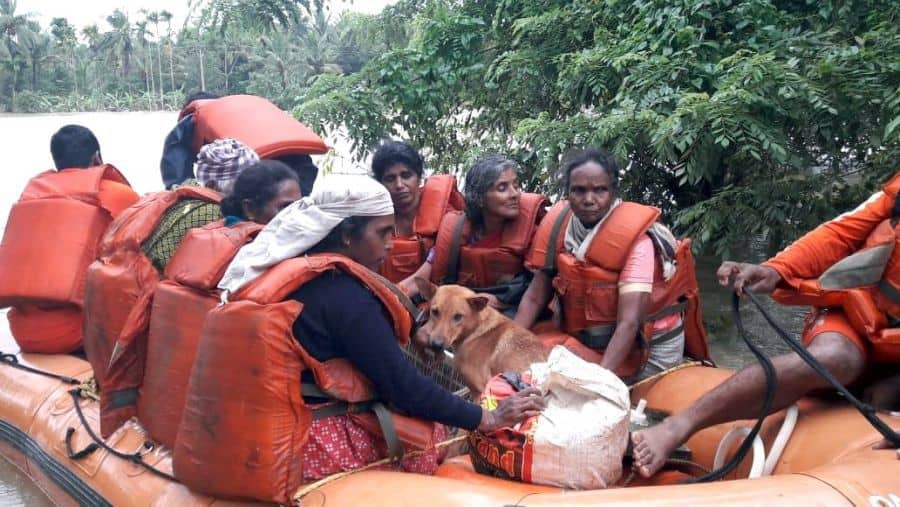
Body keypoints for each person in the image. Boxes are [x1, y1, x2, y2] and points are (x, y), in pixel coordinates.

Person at [215, 174, 543, 480]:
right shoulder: (340, 293)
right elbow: (404, 387)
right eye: (382, 233)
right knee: (436, 440)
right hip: (311, 437)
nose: (390, 243)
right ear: (346, 234)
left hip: (263, 424)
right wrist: (490, 418)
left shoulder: (297, 268)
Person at [631, 172, 900, 478]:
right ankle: (678, 425)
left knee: (882, 397)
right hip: (858, 321)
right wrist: (776, 270)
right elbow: (836, 235)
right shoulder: (893, 197)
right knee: (833, 359)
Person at [514, 148, 708, 380]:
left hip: (646, 350)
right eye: (579, 190)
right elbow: (535, 298)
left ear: (614, 191)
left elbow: (629, 323)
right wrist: (507, 344)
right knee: (526, 362)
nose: (588, 200)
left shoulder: (638, 243)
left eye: (600, 190)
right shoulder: (559, 227)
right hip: (589, 340)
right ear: (567, 192)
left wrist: (598, 383)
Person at [0, 125, 139, 354]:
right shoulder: (118, 195)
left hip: (22, 331)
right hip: (77, 333)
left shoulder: (30, 196)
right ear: (97, 158)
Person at [402, 155, 548, 312]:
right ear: (479, 198)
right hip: (458, 311)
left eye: (516, 186)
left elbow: (535, 294)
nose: (514, 194)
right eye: (502, 188)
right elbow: (419, 279)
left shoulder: (532, 234)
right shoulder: (456, 231)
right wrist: (388, 295)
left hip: (507, 312)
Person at [162, 93, 329, 194]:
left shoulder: (194, 117)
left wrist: (183, 200)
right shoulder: (247, 109)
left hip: (261, 176)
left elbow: (176, 173)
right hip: (299, 171)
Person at [143, 138, 259, 273]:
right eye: (243, 183)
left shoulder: (181, 192)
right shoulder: (216, 214)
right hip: (155, 288)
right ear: (212, 185)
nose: (251, 188)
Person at [371, 140, 464, 284]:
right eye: (390, 178)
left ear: (418, 177)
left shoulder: (446, 215)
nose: (399, 185)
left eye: (406, 175)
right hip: (388, 296)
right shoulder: (372, 221)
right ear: (381, 184)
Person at [218, 159, 302, 225]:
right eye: (286, 208)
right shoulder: (243, 245)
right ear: (250, 209)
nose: (299, 216)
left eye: (301, 206)